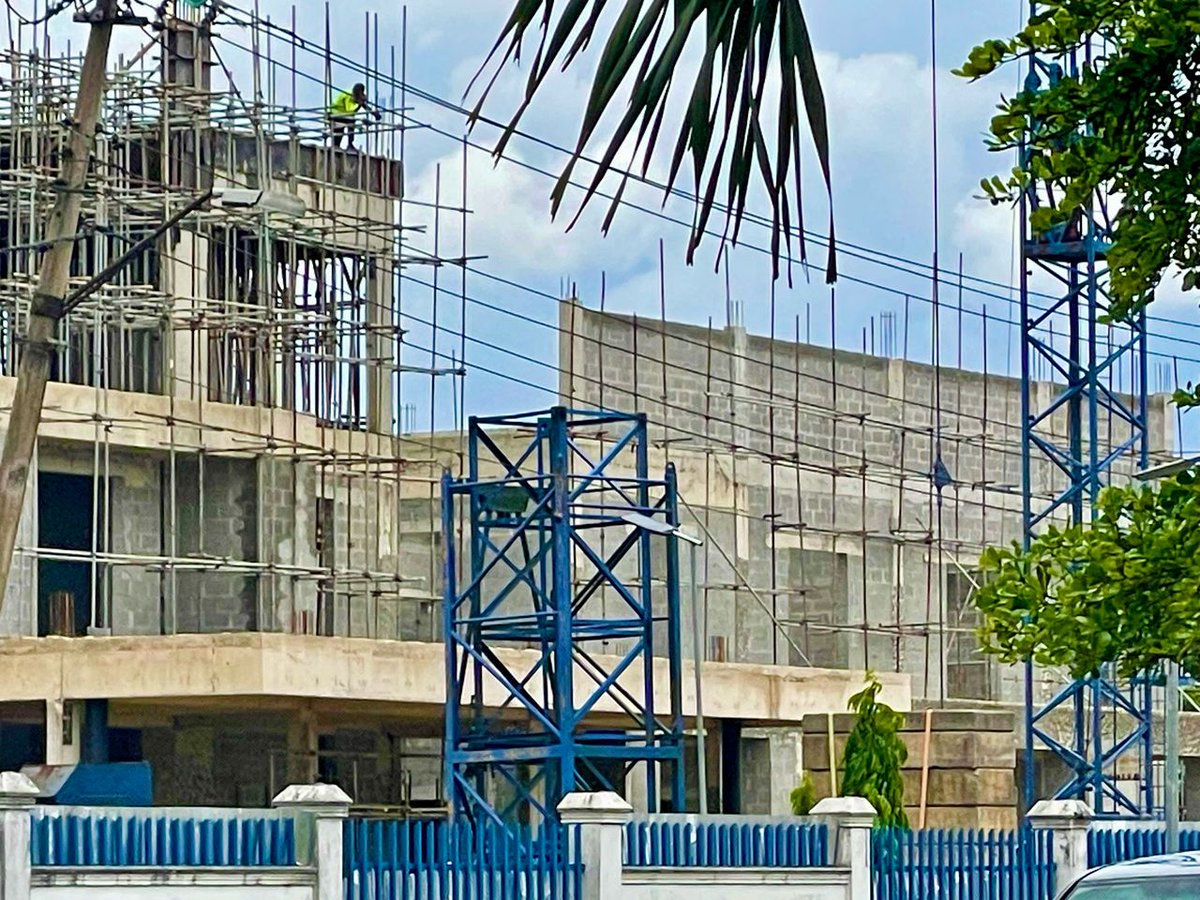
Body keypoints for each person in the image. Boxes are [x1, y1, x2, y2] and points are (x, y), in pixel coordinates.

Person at [327, 83, 381, 150]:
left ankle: (346, 145)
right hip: (334, 114)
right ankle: (344, 146)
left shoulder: (355, 96)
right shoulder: (349, 96)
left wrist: (374, 113)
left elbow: (364, 106)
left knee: (342, 130)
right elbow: (349, 110)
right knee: (346, 125)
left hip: (341, 115)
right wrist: (360, 104)